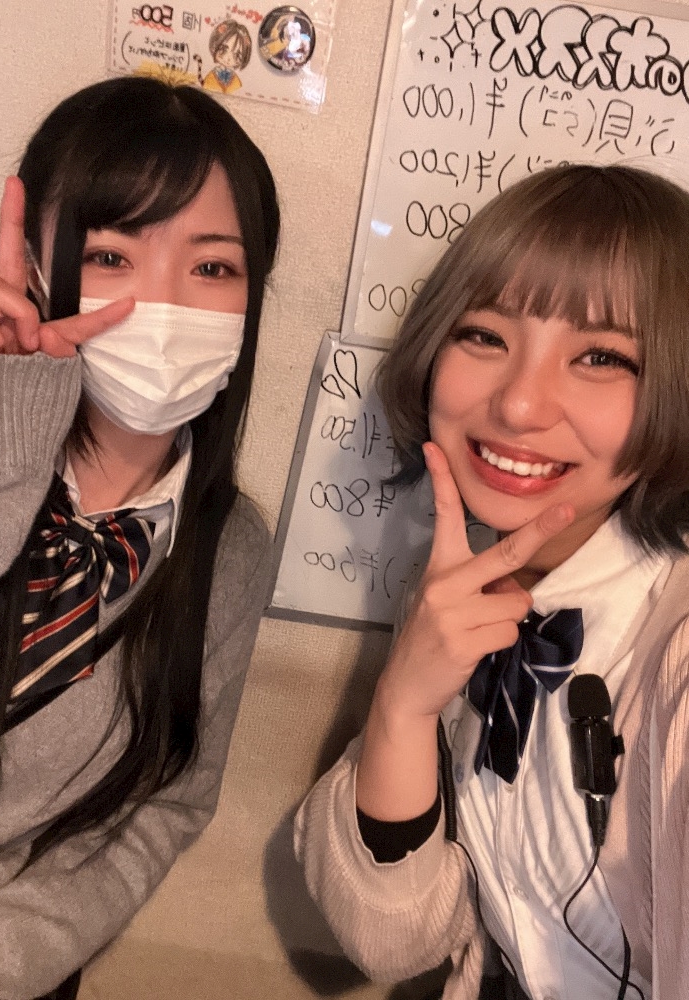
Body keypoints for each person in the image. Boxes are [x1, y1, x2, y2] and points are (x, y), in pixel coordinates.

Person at [294, 163, 689, 1000]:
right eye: (484, 336)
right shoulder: (452, 589)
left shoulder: (675, 650)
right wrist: (404, 707)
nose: (518, 406)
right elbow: (391, 940)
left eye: (600, 356)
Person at [0, 75, 279, 999]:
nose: (161, 307)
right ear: (36, 269)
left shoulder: (232, 550)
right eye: (110, 255)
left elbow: (161, 805)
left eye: (213, 268)